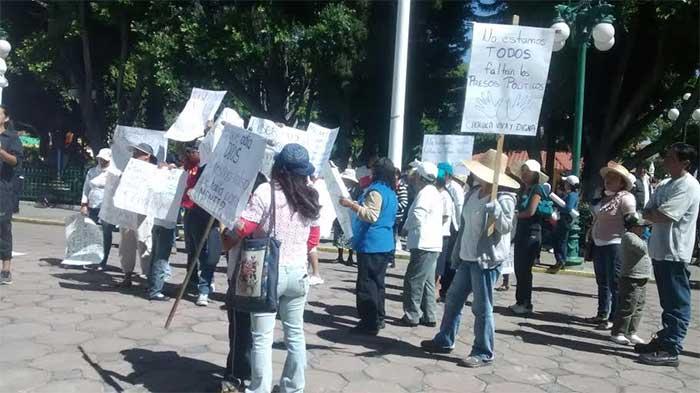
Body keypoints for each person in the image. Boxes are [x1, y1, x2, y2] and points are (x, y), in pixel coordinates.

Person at [223, 143, 321, 393]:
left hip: (268, 275)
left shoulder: (267, 192)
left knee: (262, 338)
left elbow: (242, 228)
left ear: (278, 167)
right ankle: (293, 387)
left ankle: (260, 389)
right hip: (299, 274)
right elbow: (313, 238)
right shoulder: (311, 195)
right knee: (295, 334)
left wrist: (225, 233)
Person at [420, 149, 518, 368]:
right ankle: (445, 339)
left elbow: (505, 229)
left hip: (486, 261)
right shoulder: (473, 193)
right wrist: (456, 254)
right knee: (453, 299)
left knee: (482, 308)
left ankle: (483, 351)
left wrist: (498, 213)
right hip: (467, 257)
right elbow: (464, 227)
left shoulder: (505, 198)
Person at [639, 143, 700, 366]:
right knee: (668, 302)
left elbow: (666, 215)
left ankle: (672, 347)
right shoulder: (665, 183)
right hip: (659, 249)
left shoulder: (689, 186)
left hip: (675, 252)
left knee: (677, 302)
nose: (666, 160)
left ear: (685, 162)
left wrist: (653, 213)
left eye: (671, 158)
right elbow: (648, 209)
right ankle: (665, 339)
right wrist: (653, 213)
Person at [340, 157, 398, 335]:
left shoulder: (375, 191)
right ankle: (379, 317)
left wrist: (351, 205)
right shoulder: (390, 191)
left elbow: (371, 215)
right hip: (385, 242)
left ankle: (369, 321)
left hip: (372, 242)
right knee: (378, 283)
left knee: (366, 284)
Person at [588, 162, 636, 330]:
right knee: (602, 281)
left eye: (613, 177)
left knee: (615, 283)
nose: (608, 180)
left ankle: (614, 318)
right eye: (607, 177)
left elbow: (632, 219)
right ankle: (602, 314)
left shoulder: (625, 198)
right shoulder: (604, 197)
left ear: (622, 182)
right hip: (599, 243)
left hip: (615, 244)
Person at [399, 161, 443, 327]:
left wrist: (406, 228)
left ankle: (412, 314)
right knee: (427, 282)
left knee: (413, 280)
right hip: (432, 244)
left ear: (419, 177)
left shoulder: (425, 194)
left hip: (424, 243)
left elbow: (418, 215)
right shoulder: (433, 192)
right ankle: (429, 315)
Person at [510, 159, 550, 315]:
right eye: (523, 170)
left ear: (535, 174)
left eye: (528, 171)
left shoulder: (537, 190)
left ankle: (526, 303)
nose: (524, 174)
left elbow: (530, 211)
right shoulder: (523, 190)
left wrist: (514, 216)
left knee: (525, 269)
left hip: (532, 232)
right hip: (521, 232)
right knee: (519, 268)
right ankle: (520, 301)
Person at [610, 212, 651, 346]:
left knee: (638, 307)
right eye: (641, 226)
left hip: (642, 277)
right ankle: (618, 332)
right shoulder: (629, 237)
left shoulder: (638, 237)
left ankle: (631, 332)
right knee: (627, 306)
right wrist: (649, 239)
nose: (644, 229)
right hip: (631, 277)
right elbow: (644, 248)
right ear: (633, 226)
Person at [118, 144, 155, 288]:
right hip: (128, 211)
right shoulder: (128, 169)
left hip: (143, 212)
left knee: (144, 242)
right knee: (126, 243)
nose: (134, 154)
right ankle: (127, 275)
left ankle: (147, 277)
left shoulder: (153, 171)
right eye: (134, 152)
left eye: (138, 152)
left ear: (147, 156)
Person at [80, 148, 116, 270]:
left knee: (106, 233)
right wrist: (84, 204)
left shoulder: (114, 173)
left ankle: (103, 260)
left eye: (104, 159)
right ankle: (91, 257)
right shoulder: (92, 171)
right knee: (91, 232)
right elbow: (86, 188)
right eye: (100, 159)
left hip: (107, 206)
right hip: (93, 206)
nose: (102, 161)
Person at [0, 105, 22, 285]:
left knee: (3, 229)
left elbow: (15, 162)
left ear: (5, 118)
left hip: (3, 189)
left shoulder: (11, 138)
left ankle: (6, 269)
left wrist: (1, 151)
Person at [437, 162, 464, 300]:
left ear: (448, 175)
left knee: (449, 260)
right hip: (445, 227)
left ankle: (446, 288)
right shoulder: (439, 186)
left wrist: (460, 228)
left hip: (454, 226)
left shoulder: (455, 188)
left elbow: (459, 208)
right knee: (442, 258)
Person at [549, 175, 580, 273]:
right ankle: (560, 260)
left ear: (569, 185)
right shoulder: (572, 194)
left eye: (566, 183)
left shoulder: (571, 195)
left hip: (564, 220)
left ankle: (560, 260)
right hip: (565, 219)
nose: (564, 184)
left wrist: (558, 206)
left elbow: (568, 208)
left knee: (560, 240)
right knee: (560, 240)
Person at [435, 164, 455, 302]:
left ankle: (436, 288)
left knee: (438, 266)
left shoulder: (446, 196)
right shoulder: (436, 194)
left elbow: (446, 216)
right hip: (435, 234)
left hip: (442, 234)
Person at [333, 168, 360, 266]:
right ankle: (340, 256)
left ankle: (350, 257)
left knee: (350, 236)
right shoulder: (339, 188)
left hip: (351, 214)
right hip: (340, 213)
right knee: (339, 234)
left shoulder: (356, 190)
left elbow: (358, 201)